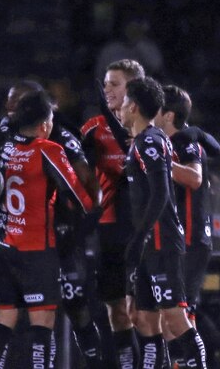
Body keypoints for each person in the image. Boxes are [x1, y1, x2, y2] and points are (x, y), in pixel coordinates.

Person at [0, 80, 106, 367]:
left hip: (23, 239)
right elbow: (80, 193)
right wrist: (95, 215)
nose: (11, 109)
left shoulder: (15, 143)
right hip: (40, 243)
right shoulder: (46, 146)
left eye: (18, 103)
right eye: (9, 103)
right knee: (43, 317)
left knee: (18, 313)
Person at [120, 77, 208, 369]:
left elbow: (161, 194)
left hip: (161, 241)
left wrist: (139, 237)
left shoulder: (150, 141)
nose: (119, 108)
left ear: (132, 106)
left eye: (123, 103)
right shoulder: (140, 143)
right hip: (149, 244)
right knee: (144, 319)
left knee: (175, 318)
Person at [81, 58, 146, 367]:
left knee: (147, 313)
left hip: (145, 230)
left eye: (114, 83)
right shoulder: (94, 129)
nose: (106, 89)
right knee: (117, 311)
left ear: (133, 88)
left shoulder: (153, 127)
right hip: (110, 230)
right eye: (105, 83)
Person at [155, 85, 220, 351]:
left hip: (191, 239)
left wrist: (157, 163)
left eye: (157, 109)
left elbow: (194, 177)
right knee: (167, 318)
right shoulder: (170, 142)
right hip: (179, 240)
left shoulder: (187, 142)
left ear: (169, 115)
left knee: (180, 317)